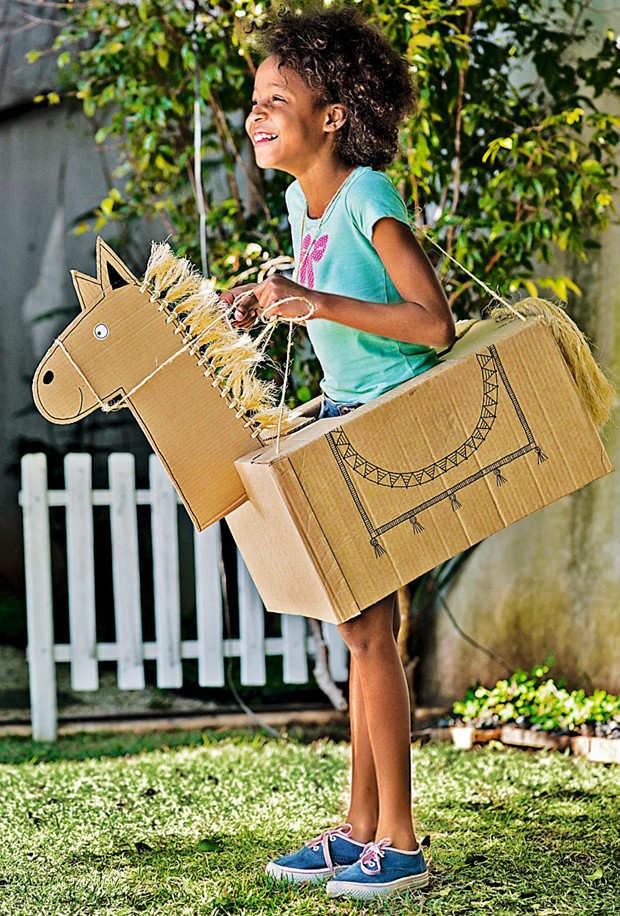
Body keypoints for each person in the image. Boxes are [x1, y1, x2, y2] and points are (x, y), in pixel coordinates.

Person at [221, 4, 455, 901]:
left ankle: (397, 842)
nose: (257, 114)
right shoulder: (300, 202)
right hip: (352, 414)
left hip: (397, 427)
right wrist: (271, 299)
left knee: (368, 632)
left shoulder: (367, 197)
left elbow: (430, 325)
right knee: (361, 630)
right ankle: (360, 828)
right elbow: (323, 301)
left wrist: (314, 303)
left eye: (278, 98)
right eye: (255, 99)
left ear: (333, 116)